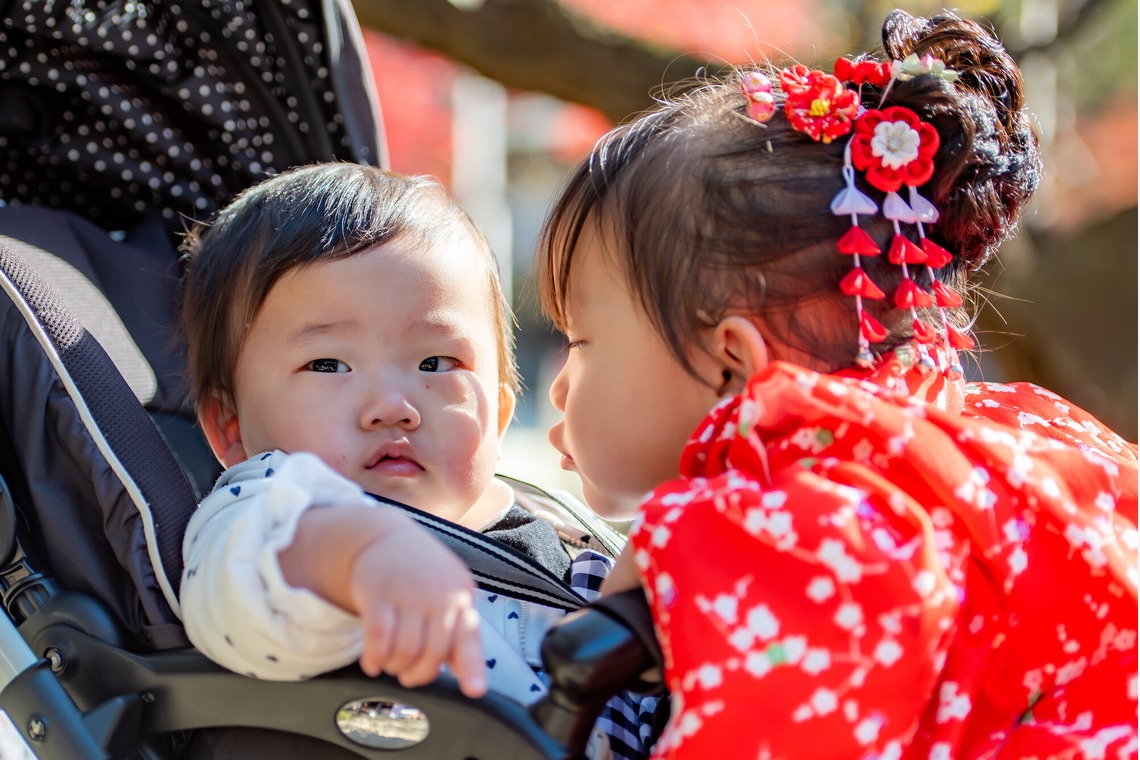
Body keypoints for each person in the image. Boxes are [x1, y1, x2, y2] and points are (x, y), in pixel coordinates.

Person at [537, 10, 1137, 759]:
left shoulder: (799, 537)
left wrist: (699, 545)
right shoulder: (1012, 444)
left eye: (582, 342)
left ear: (733, 367)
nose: (558, 390)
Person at [177, 163, 657, 758]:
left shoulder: (550, 523)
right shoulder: (267, 503)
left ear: (500, 414)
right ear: (230, 428)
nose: (392, 407)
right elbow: (252, 576)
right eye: (328, 365)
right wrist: (360, 555)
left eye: (436, 364)